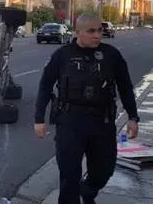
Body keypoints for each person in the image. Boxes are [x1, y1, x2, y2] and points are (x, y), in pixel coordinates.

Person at [33, 15, 140, 204]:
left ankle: (89, 190)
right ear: (77, 32)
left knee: (103, 171)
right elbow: (45, 86)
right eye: (91, 31)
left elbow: (125, 86)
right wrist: (39, 119)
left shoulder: (111, 55)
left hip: (102, 122)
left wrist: (133, 116)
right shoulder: (62, 55)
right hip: (70, 121)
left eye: (99, 30)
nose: (97, 35)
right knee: (69, 174)